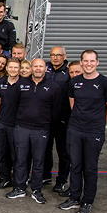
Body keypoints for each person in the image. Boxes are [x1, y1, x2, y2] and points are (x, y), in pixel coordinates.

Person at [58, 50, 107, 213]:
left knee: (89, 168)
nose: (89, 64)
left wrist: (98, 124)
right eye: (86, 61)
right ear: (81, 62)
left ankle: (87, 201)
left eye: (92, 61)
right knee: (75, 165)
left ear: (97, 62)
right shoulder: (75, 82)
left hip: (94, 132)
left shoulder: (105, 83)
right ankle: (74, 197)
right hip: (75, 130)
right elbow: (73, 104)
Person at [4, 59, 60, 204]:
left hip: (41, 130)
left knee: (39, 161)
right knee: (21, 159)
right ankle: (20, 188)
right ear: (31, 68)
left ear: (45, 68)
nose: (38, 68)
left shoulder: (53, 86)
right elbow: (14, 105)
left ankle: (36, 190)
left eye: (41, 66)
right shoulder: (21, 84)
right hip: (22, 128)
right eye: (35, 66)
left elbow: (56, 109)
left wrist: (46, 123)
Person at [44, 46, 71, 193]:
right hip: (46, 119)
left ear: (64, 56)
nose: (55, 58)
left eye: (58, 55)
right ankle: (45, 176)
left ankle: (61, 181)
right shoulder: (46, 68)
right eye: (53, 55)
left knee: (63, 152)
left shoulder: (69, 72)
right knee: (45, 149)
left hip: (63, 120)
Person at [0, 59, 21, 190]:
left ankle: (18, 180)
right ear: (7, 68)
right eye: (11, 67)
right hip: (2, 123)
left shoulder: (24, 84)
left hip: (17, 125)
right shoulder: (0, 82)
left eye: (16, 67)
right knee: (1, 152)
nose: (13, 69)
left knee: (16, 154)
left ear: (19, 69)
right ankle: (5, 178)